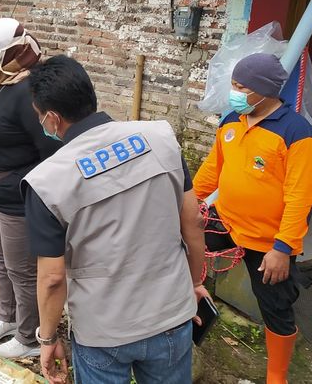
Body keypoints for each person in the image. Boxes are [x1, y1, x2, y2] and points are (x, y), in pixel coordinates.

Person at [22, 55, 207, 384]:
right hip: (171, 313)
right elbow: (192, 223)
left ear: (51, 119)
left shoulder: (46, 182)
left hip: (104, 331)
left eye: (39, 117)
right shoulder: (160, 138)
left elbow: (51, 279)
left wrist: (48, 339)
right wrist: (193, 284)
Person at [194, 52, 312, 384]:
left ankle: (276, 376)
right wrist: (188, 201)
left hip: (268, 242)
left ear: (264, 92)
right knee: (179, 247)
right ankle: (185, 320)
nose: (233, 91)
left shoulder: (299, 135)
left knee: (275, 308)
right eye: (233, 83)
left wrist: (283, 248)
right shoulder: (231, 121)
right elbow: (213, 168)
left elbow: (301, 196)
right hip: (226, 220)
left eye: (240, 86)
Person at [0, 18, 62, 358]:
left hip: (16, 199)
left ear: (15, 50)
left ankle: (28, 338)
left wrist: (16, 182)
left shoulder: (29, 94)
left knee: (22, 270)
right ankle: (7, 318)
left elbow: (51, 152)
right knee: (1, 262)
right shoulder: (6, 82)